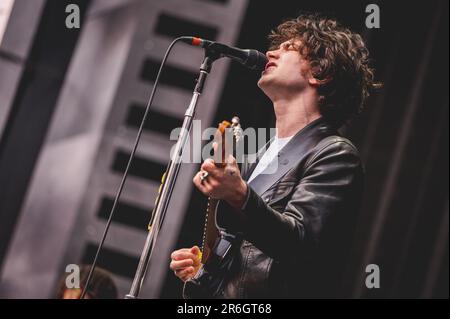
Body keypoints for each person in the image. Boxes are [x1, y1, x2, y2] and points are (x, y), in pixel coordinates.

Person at [170, 13, 380, 298]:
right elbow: (248, 251)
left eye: (289, 48)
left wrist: (240, 195)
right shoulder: (261, 153)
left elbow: (299, 244)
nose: (271, 52)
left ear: (320, 72)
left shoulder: (335, 155)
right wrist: (207, 268)